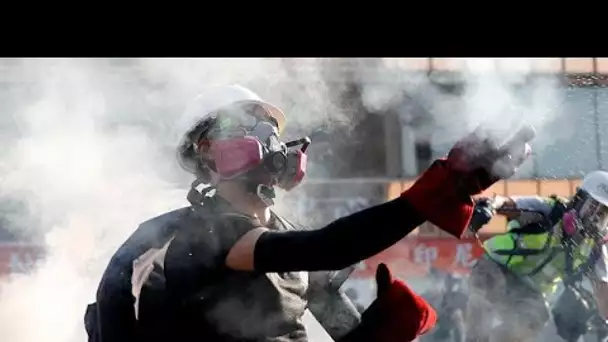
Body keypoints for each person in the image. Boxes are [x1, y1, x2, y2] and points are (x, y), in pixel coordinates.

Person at [85, 84, 533, 342]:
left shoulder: (283, 241)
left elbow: (336, 324)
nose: (267, 138)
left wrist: (375, 334)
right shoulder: (198, 235)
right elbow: (330, 246)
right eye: (240, 126)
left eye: (269, 128)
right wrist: (438, 191)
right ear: (205, 152)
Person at [465, 172, 608, 342]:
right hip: (496, 267)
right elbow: (509, 203)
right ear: (578, 200)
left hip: (530, 291)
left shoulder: (595, 250)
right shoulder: (550, 211)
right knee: (484, 296)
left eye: (603, 214)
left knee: (535, 318)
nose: (594, 218)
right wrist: (489, 207)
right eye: (592, 207)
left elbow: (604, 293)